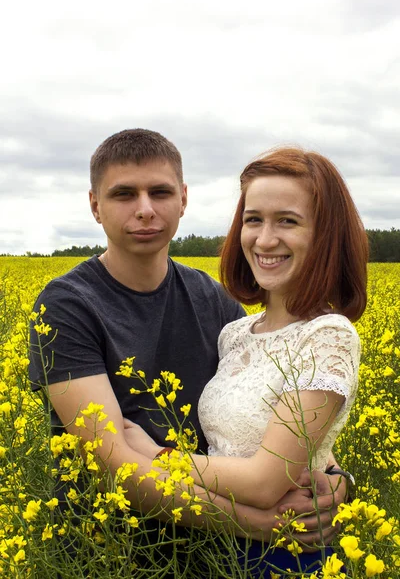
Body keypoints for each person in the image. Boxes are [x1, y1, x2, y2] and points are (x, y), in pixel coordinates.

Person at [29, 131, 347, 573]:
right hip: (110, 554)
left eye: (159, 192)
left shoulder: (213, 301)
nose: (144, 209)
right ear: (95, 205)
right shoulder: (67, 306)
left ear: (182, 199)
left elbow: (263, 414)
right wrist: (256, 524)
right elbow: (109, 463)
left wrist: (331, 478)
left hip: (209, 557)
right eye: (124, 194)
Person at [124, 146, 369, 575]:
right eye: (253, 219)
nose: (264, 238)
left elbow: (264, 482)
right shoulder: (235, 334)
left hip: (288, 552)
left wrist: (156, 456)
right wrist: (336, 475)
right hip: (216, 547)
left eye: (288, 221)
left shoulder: (328, 336)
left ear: (325, 234)